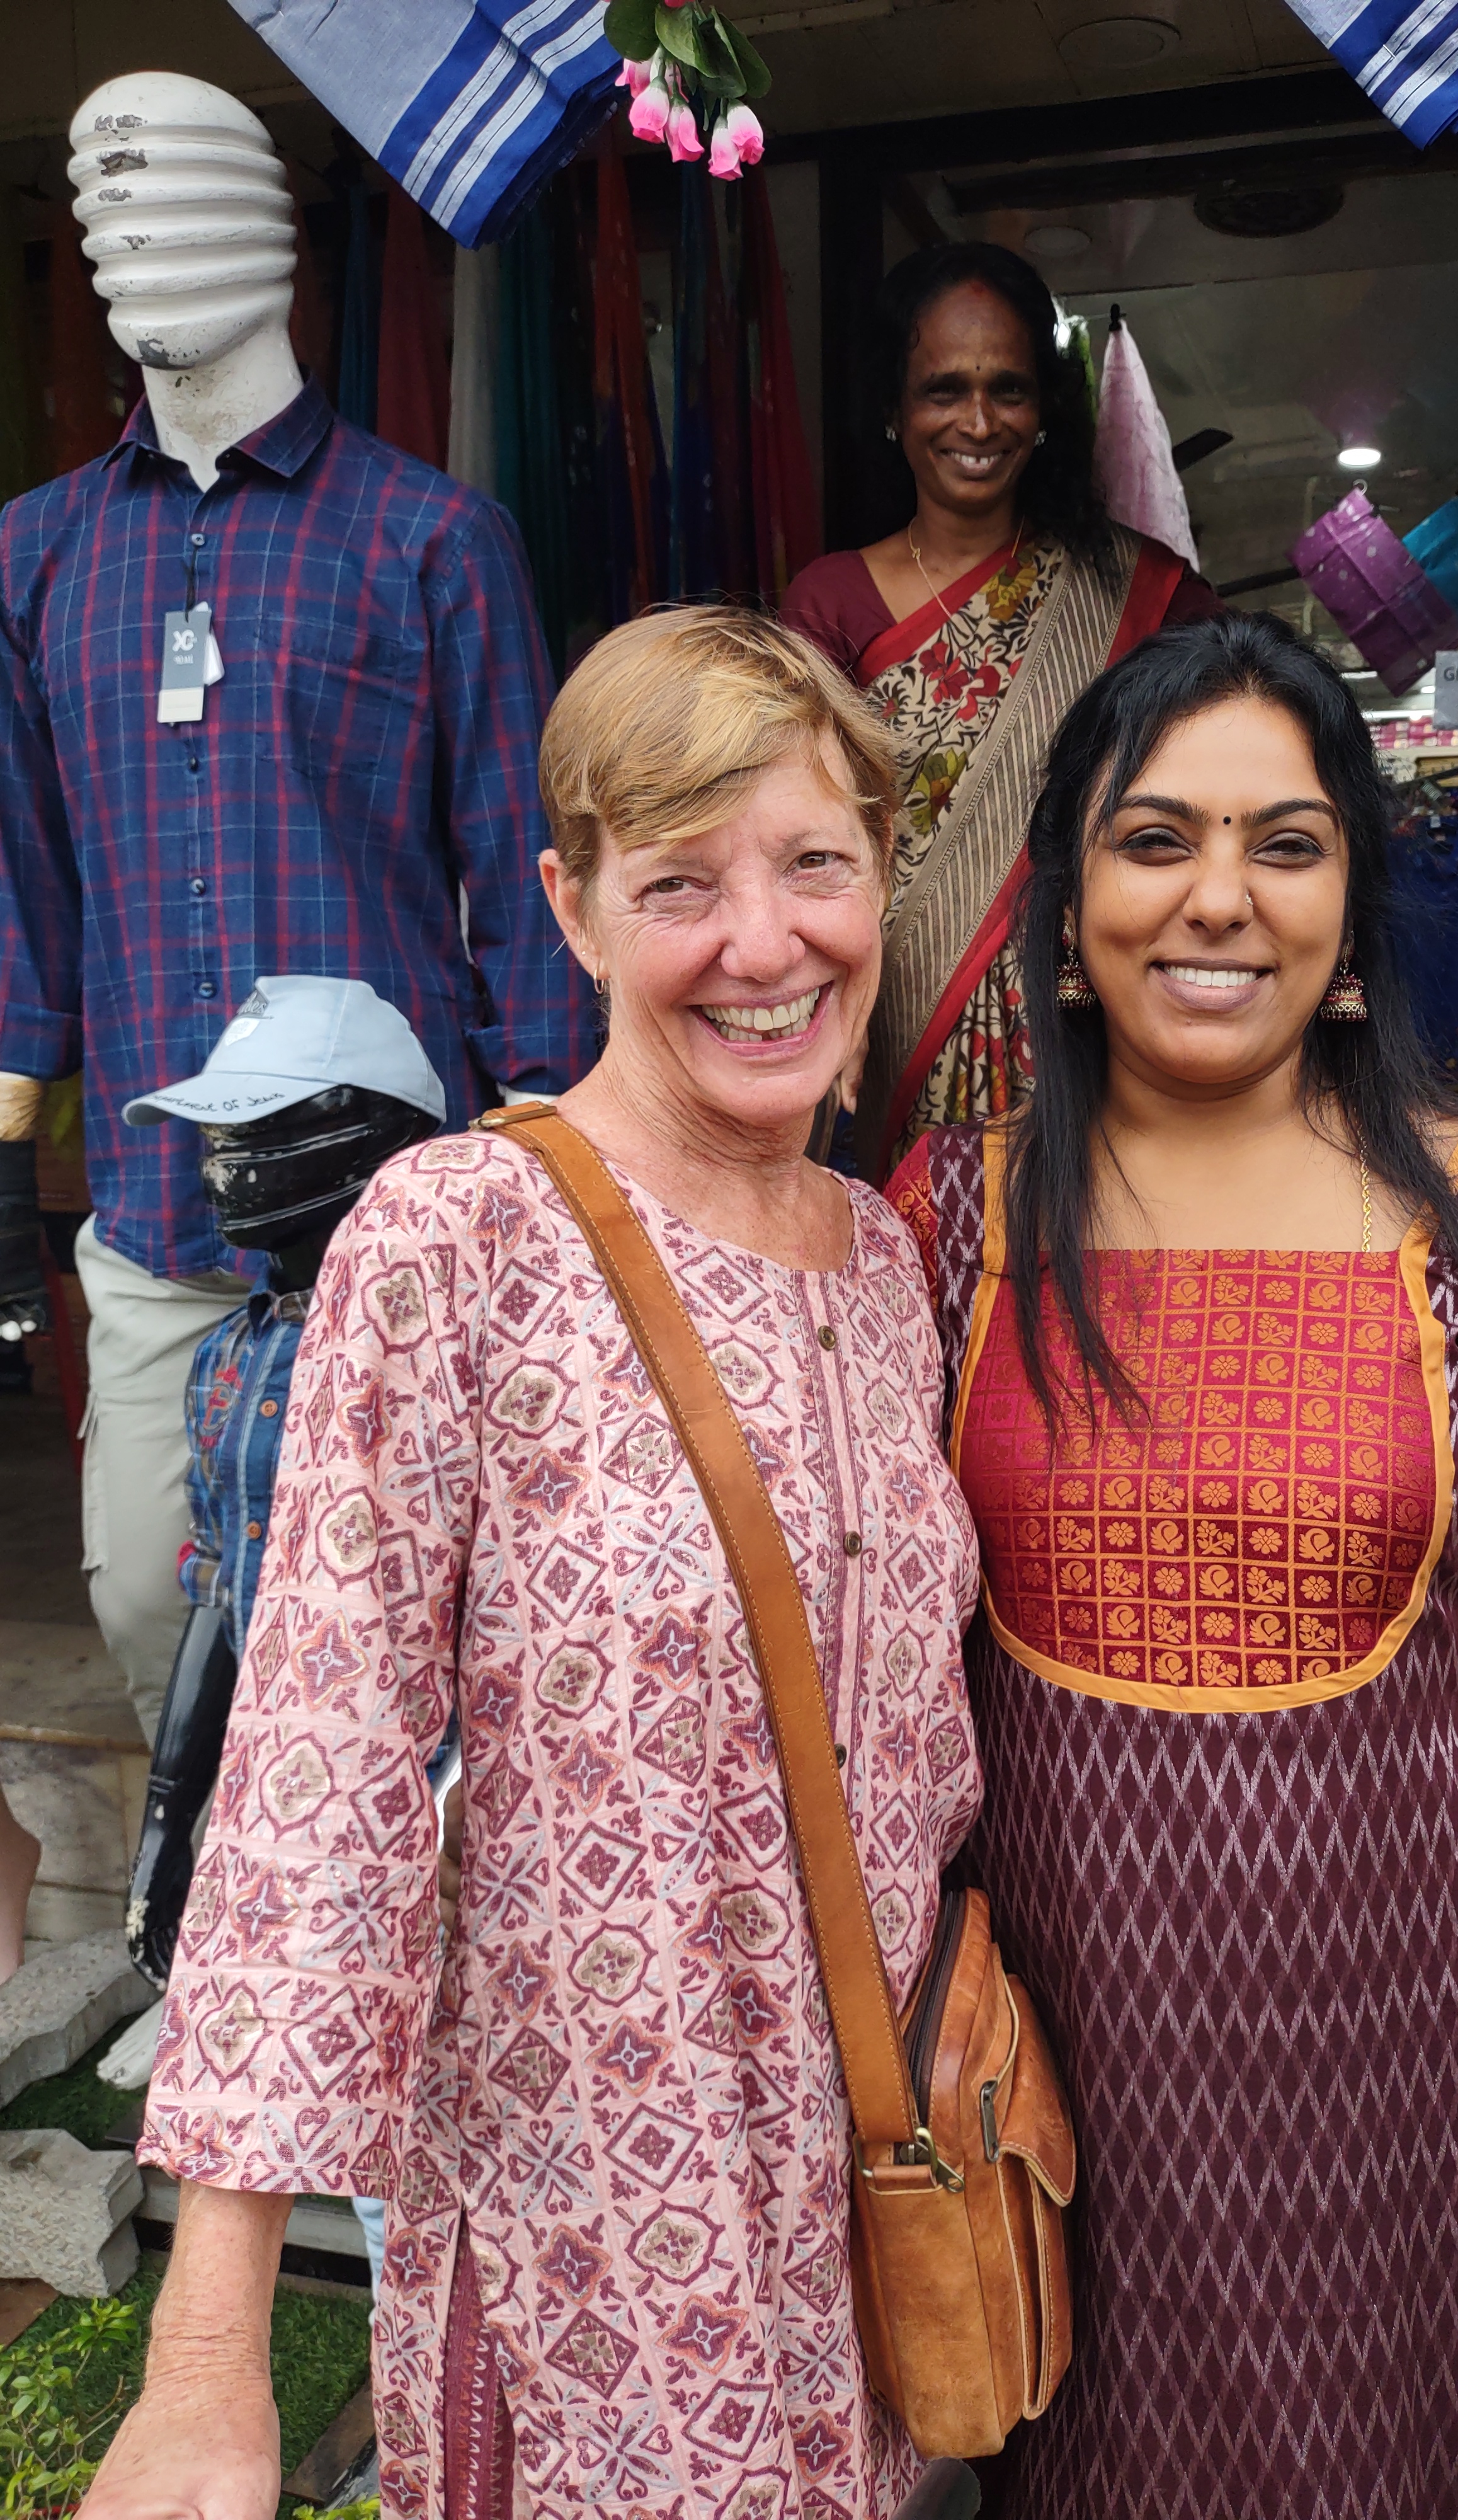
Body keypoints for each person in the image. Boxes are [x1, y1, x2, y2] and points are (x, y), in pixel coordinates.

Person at [83, 610, 982, 2520]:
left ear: (885, 882)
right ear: (571, 911)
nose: (765, 944)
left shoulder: (888, 1265)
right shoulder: (460, 1236)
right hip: (588, 2290)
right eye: (682, 885)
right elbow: (316, 1782)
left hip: (867, 2245)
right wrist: (209, 2366)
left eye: (815, 864)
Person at [889, 612, 1458, 2520]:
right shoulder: (949, 1218)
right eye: (1154, 838)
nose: (1218, 900)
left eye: (1285, 843)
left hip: (1388, 2049)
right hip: (1067, 2064)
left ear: (1349, 907)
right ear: (1066, 899)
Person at [0, 74, 591, 1748]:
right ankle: (219, 1875)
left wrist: (546, 1125)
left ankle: (368, 1882)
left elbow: (518, 858)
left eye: (173, 210)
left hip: (390, 1201)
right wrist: (16, 1082)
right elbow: (24, 862)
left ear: (270, 244)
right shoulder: (34, 556)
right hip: (153, 1205)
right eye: (111, 220)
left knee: (400, 1600)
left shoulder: (433, 539)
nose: (142, 249)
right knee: (146, 1590)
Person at [117, 976, 449, 2288]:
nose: (223, 1168)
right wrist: (169, 1821)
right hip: (295, 1817)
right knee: (358, 2128)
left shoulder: (454, 1338)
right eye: (214, 1136)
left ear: (383, 1139)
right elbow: (221, 1591)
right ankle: (404, 2367)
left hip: (436, 1804)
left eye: (262, 1133)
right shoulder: (233, 1355)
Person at [782, 242, 1219, 1180]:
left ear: (1046, 409)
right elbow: (793, 836)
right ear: (894, 410)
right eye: (943, 390)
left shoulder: (1139, 593)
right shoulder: (831, 604)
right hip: (897, 1024)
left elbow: (1230, 788)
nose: (977, 422)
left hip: (1095, 1028)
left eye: (1008, 390)